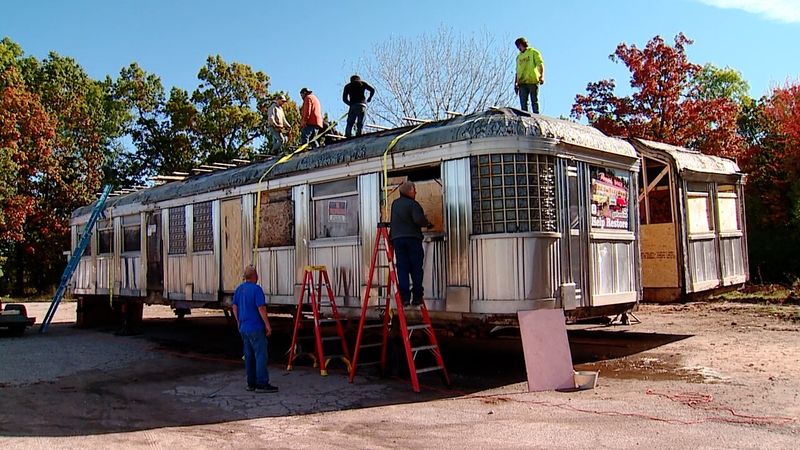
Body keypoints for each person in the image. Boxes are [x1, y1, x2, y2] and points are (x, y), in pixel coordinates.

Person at [231, 265, 278, 393]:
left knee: (249, 356)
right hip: (255, 327)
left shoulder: (239, 289)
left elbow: (234, 306)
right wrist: (268, 325)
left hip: (244, 328)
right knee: (261, 355)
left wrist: (238, 321)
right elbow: (261, 308)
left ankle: (250, 383)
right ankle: (262, 383)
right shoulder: (256, 289)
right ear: (254, 276)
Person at [390, 181, 432, 307]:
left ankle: (405, 298)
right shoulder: (413, 204)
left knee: (402, 269)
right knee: (416, 269)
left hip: (397, 240)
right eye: (414, 190)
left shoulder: (395, 204)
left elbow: (394, 221)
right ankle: (417, 297)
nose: (416, 192)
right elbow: (418, 219)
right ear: (409, 191)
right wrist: (428, 223)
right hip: (412, 240)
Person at [514, 37, 545, 114]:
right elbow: (517, 71)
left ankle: (536, 117)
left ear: (523, 44)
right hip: (522, 82)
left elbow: (540, 64)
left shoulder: (533, 52)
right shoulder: (518, 57)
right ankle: (525, 117)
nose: (518, 48)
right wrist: (515, 83)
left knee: (534, 101)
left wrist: (542, 76)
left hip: (532, 80)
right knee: (523, 103)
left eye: (519, 46)